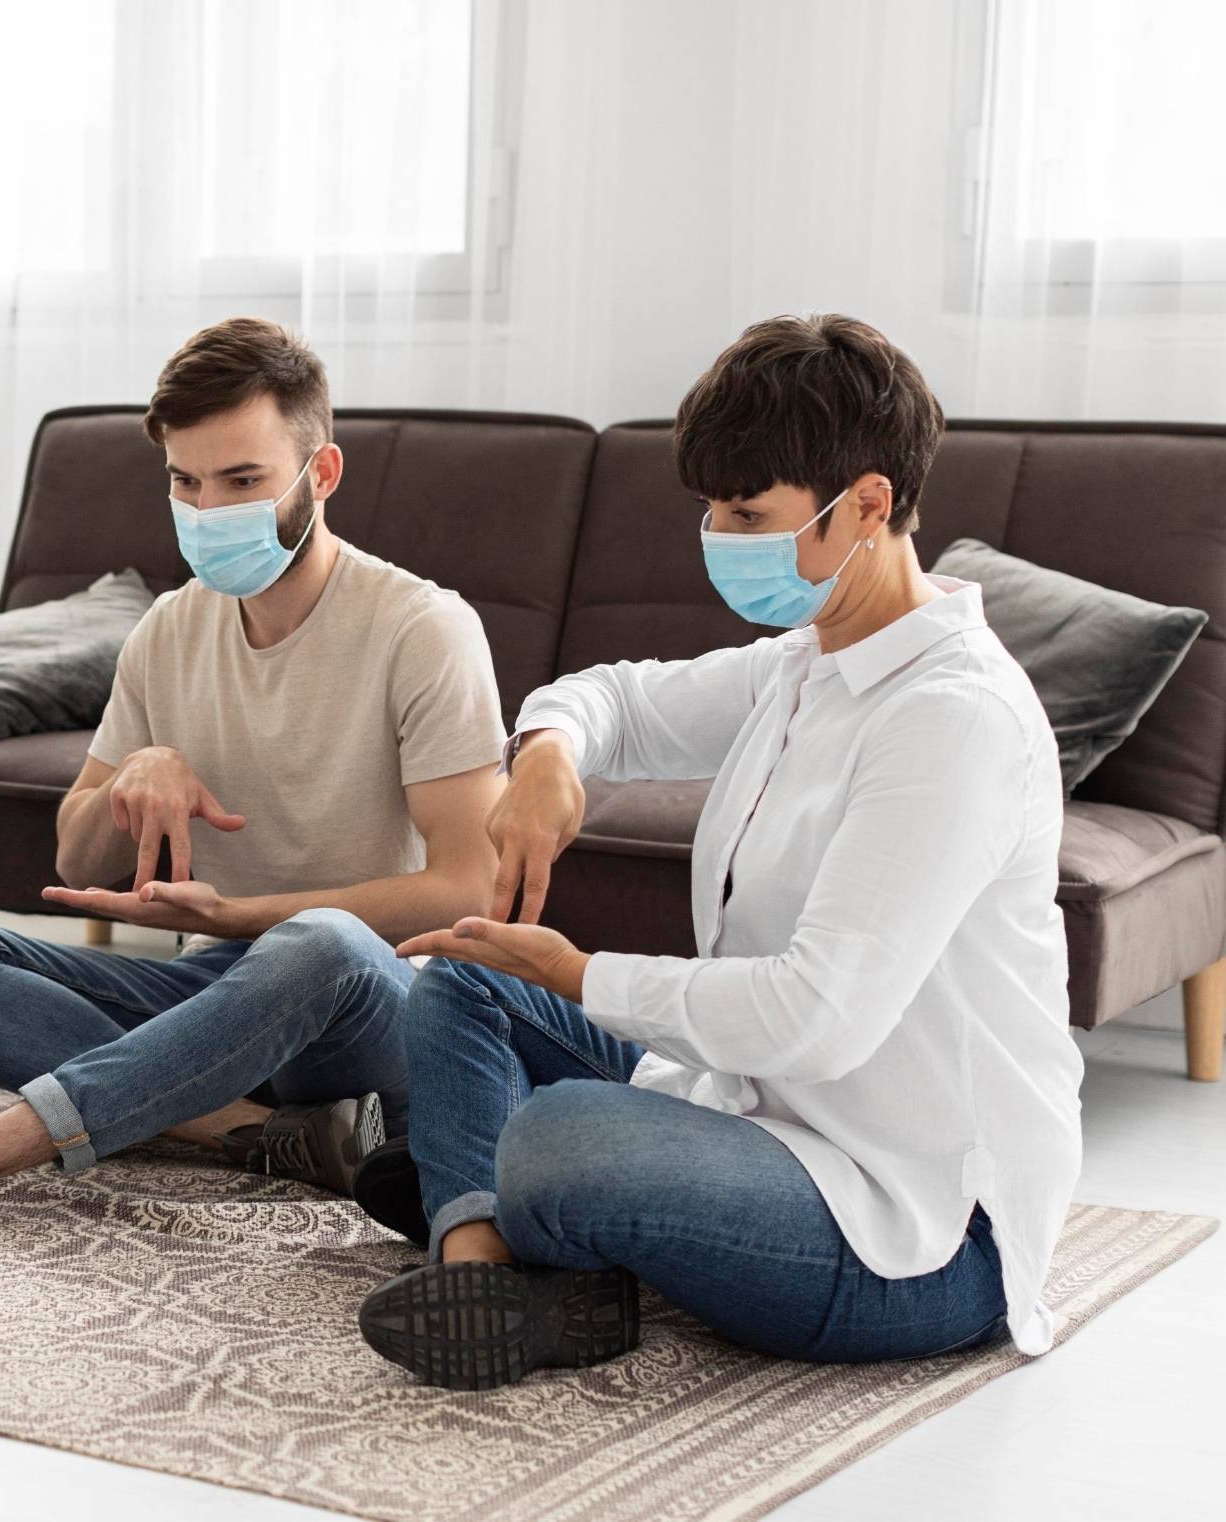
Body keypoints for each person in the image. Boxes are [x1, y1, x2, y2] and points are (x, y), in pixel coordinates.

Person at [355, 314, 1083, 1388]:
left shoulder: (948, 720)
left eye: (747, 512)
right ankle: (484, 1256)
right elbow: (611, 696)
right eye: (709, 507)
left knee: (561, 1140)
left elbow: (814, 1019)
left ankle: (482, 1186)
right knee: (464, 972)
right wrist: (548, 754)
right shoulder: (804, 666)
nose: (716, 533)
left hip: (911, 1230)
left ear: (868, 504)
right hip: (750, 1115)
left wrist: (580, 974)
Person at [0, 317, 507, 1235]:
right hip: (217, 994)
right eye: (187, 482)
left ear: (320, 474)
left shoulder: (423, 629)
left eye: (243, 481)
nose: (210, 510)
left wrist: (242, 917)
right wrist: (137, 772)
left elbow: (470, 888)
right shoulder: (171, 628)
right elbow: (77, 853)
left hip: (367, 1005)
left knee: (320, 943)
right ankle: (250, 1134)